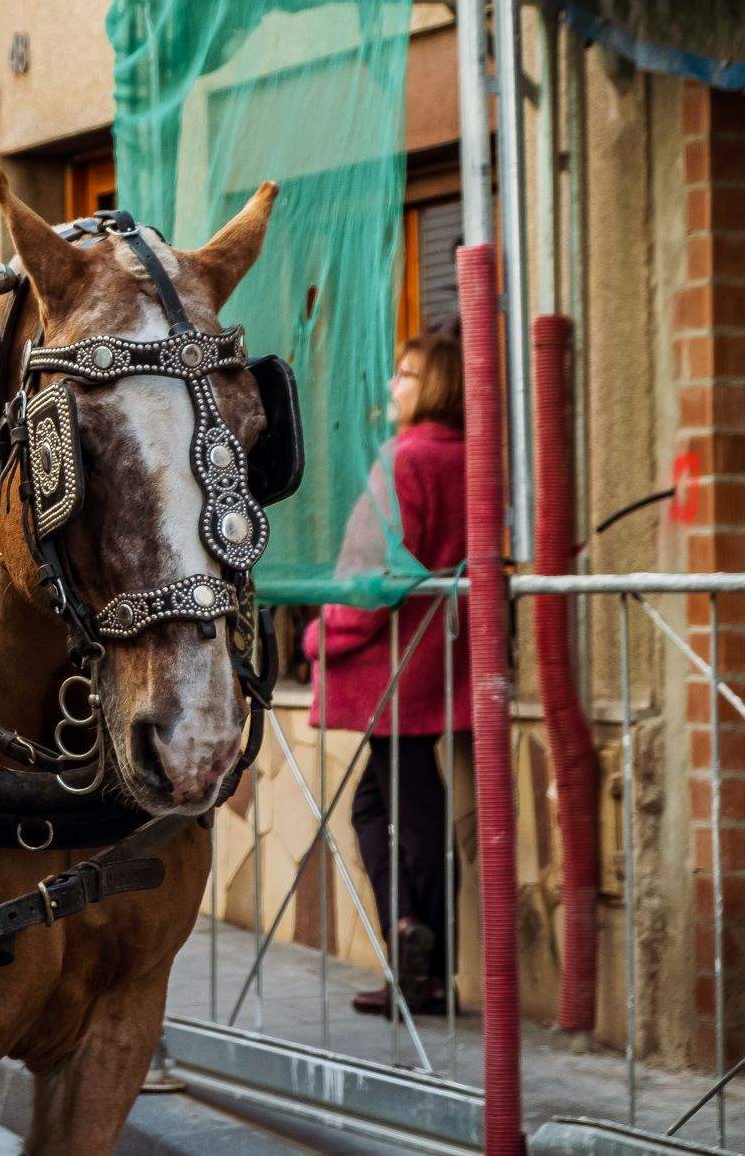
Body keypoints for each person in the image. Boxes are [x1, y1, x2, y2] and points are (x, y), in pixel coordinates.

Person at [304, 327, 470, 1018]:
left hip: (391, 660)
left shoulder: (405, 459)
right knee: (400, 798)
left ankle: (417, 952)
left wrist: (321, 634)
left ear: (432, 385)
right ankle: (421, 955)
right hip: (440, 655)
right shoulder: (472, 459)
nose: (392, 385)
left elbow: (369, 581)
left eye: (405, 373)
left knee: (393, 802)